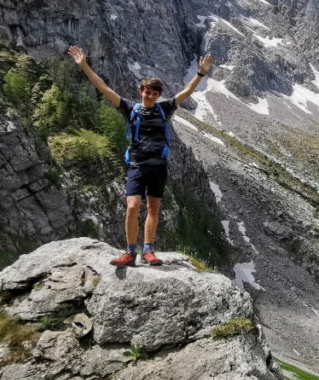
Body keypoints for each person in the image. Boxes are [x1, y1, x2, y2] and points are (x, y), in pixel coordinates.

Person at [68, 46, 213, 266]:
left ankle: (148, 250)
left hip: (158, 166)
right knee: (133, 206)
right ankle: (129, 252)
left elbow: (186, 92)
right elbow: (103, 87)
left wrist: (201, 73)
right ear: (141, 91)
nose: (150, 96)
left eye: (154, 94)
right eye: (147, 92)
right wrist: (84, 65)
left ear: (158, 95)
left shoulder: (164, 108)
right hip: (137, 165)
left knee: (154, 208)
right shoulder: (129, 108)